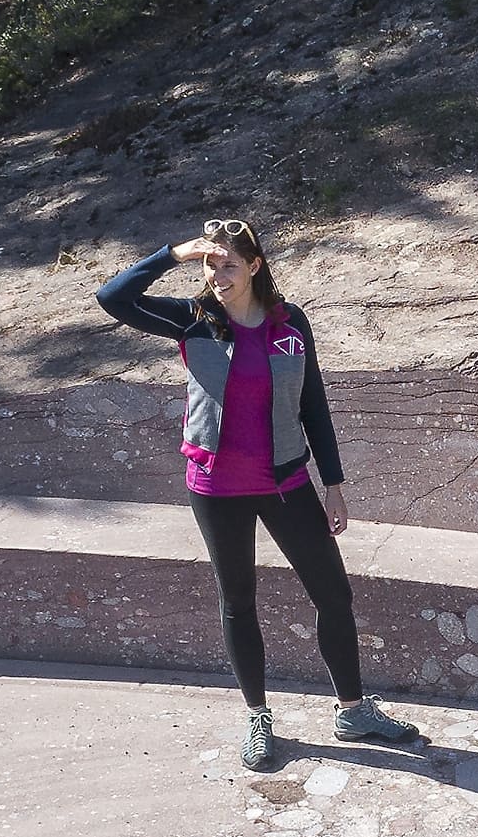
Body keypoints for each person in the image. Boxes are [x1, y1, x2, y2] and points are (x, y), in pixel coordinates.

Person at [93, 219, 418, 773]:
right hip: (216, 487)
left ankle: (353, 709)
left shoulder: (291, 325)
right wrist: (172, 253)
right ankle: (259, 717)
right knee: (238, 601)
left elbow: (313, 405)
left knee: (333, 595)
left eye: (228, 266)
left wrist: (333, 487)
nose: (217, 277)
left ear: (254, 267)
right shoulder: (193, 319)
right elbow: (112, 297)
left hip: (286, 482)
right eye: (209, 267)